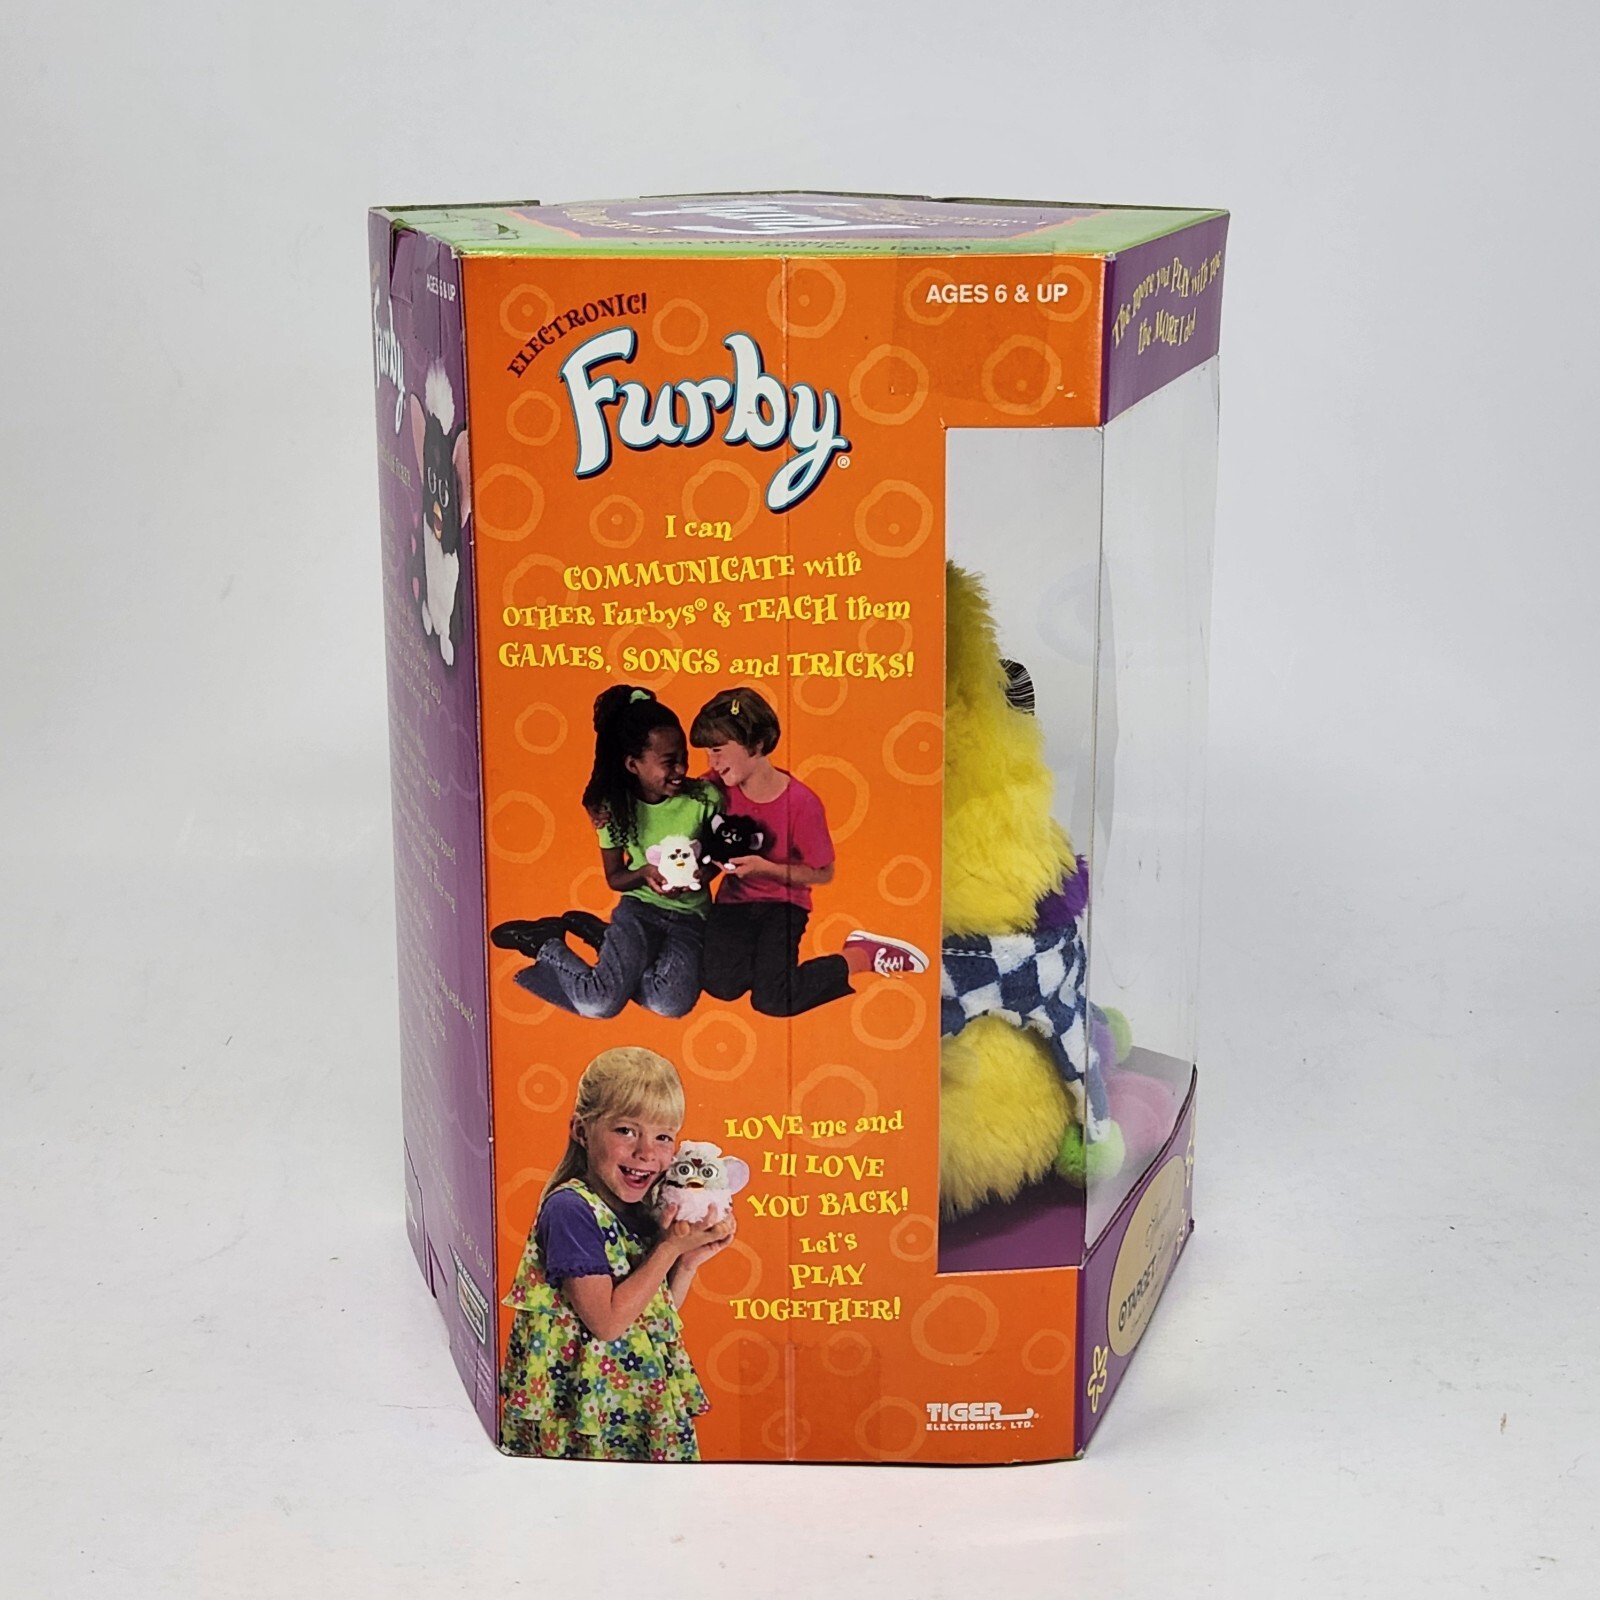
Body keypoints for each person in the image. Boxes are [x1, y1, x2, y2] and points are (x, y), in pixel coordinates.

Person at [499, 1046, 733, 1461]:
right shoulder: (571, 1210)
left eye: (663, 1137)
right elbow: (607, 1323)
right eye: (626, 1130)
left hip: (630, 1402)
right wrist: (669, 1248)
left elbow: (648, 1318)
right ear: (581, 1130)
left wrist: (686, 1262)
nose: (647, 1152)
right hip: (586, 1413)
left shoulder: (639, 1209)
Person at [690, 686, 927, 1017]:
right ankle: (763, 968)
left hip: (783, 904)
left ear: (756, 744)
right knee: (721, 986)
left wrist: (766, 868)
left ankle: (860, 956)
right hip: (734, 901)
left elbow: (824, 872)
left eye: (717, 750)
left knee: (773, 1001)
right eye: (707, 752)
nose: (711, 761)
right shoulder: (715, 786)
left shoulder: (802, 803)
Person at [492, 685, 722, 1018]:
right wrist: (644, 874)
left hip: (691, 917)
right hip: (640, 910)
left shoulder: (705, 798)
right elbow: (615, 877)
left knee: (670, 1004)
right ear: (633, 764)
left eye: (684, 758)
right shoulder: (614, 809)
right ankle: (545, 943)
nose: (681, 770)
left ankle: (608, 948)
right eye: (669, 762)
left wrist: (702, 873)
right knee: (598, 1003)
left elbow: (719, 856)